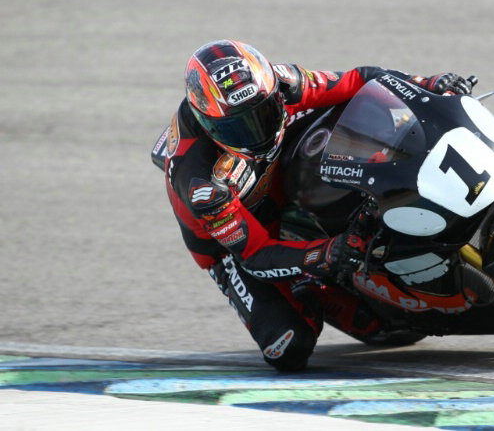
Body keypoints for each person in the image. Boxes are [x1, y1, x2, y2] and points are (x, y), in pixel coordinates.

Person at [155, 39, 475, 371]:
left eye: (263, 114)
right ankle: (309, 285)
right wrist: (326, 255)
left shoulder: (284, 82)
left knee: (355, 114)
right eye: (237, 128)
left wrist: (427, 84)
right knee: (288, 347)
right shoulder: (203, 186)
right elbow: (255, 256)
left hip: (281, 165)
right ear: (207, 124)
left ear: (273, 93)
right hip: (236, 238)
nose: (256, 134)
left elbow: (360, 80)